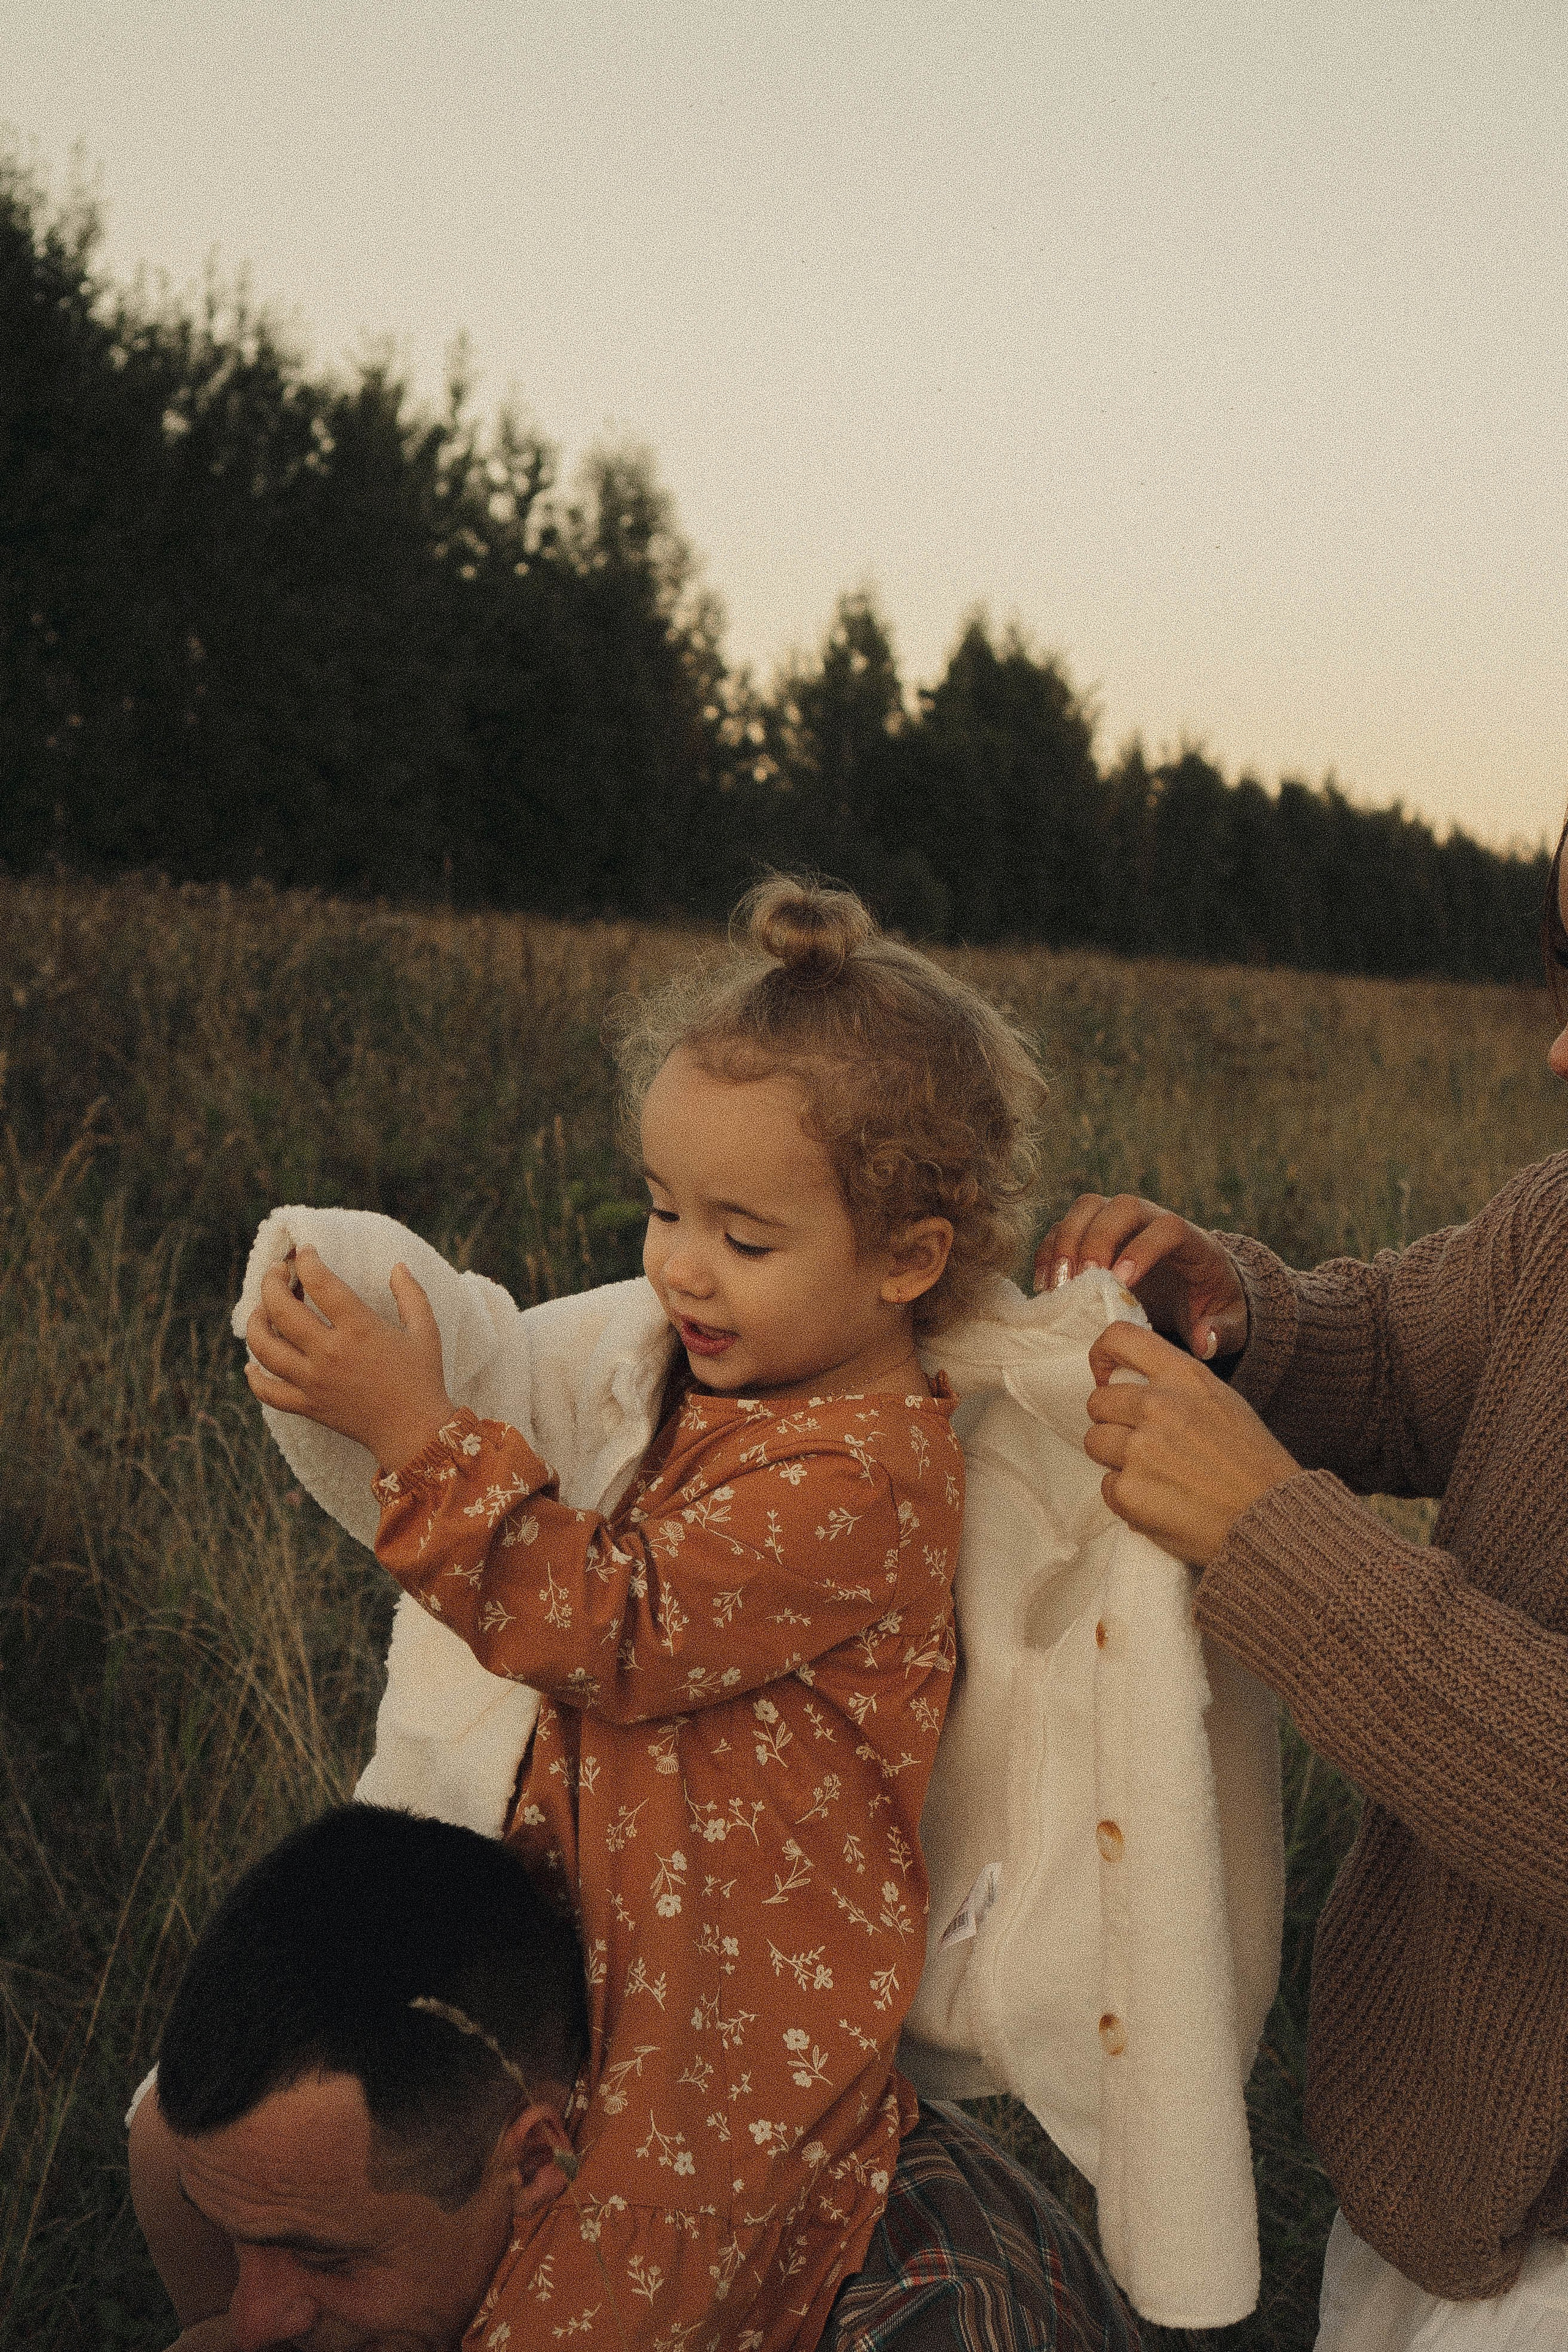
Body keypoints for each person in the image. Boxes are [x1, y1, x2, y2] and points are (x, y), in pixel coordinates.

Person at [230, 876, 1059, 2350]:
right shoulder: (730, 1388)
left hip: (728, 2038)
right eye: (664, 1208)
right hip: (615, 1974)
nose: (677, 1264)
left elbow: (614, 1625)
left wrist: (412, 1430)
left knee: (609, 2303)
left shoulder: (861, 1477)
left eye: (743, 1238)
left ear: (907, 1260)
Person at [1035, 829, 1568, 2349]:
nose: (1555, 1052)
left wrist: (1271, 1540)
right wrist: (1239, 1324)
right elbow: (1396, 1355)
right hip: (1427, 2195)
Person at [132, 1804, 1141, 2352]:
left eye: (324, 2259)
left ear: (534, 2163)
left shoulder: (925, 2321)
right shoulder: (276, 2171)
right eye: (234, 2238)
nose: (254, 2319)